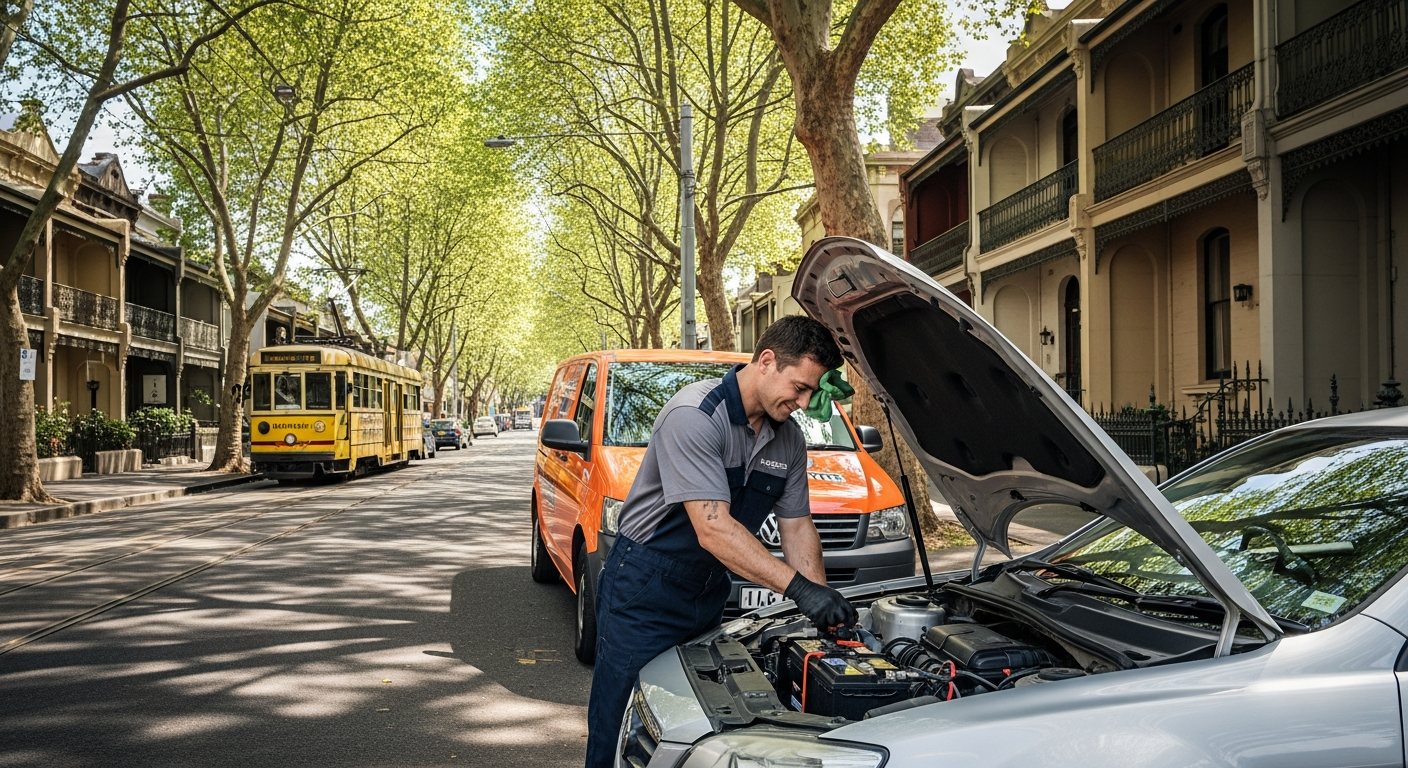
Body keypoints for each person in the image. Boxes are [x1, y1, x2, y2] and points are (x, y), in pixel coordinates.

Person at [583, 315, 858, 768]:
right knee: (622, 727)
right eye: (800, 387)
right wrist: (800, 591)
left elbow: (797, 525)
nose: (805, 403)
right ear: (766, 361)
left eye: (812, 392)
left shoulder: (787, 440)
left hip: (708, 589)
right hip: (644, 587)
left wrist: (819, 609)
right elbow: (713, 528)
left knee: (695, 726)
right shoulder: (694, 416)